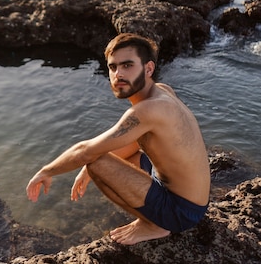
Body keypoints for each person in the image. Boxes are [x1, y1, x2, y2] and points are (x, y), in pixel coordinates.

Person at [26, 32, 210, 245]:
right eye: (113, 67)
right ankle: (154, 215)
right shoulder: (162, 91)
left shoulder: (148, 110)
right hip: (192, 199)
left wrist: (46, 171)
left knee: (96, 162)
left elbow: (86, 150)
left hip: (181, 212)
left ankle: (154, 224)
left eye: (127, 65)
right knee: (114, 155)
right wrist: (84, 170)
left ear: (148, 68)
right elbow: (132, 141)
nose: (118, 74)